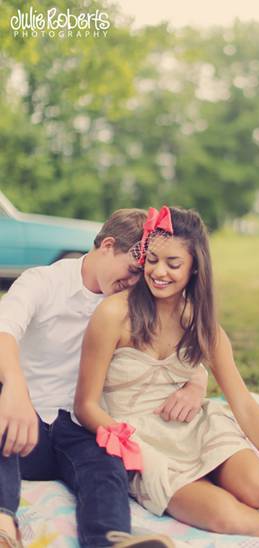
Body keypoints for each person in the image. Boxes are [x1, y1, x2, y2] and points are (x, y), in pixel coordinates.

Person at [74, 206, 259, 537]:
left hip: (196, 429)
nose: (159, 272)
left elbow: (241, 401)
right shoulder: (114, 314)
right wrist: (138, 451)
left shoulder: (201, 324)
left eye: (173, 264)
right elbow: (86, 406)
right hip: (142, 446)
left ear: (195, 268)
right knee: (231, 519)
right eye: (152, 259)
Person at [0, 208, 207, 548]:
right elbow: (5, 329)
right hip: (25, 423)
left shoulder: (134, 304)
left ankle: (110, 541)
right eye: (132, 270)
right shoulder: (43, 282)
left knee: (107, 461)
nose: (135, 282)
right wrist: (15, 388)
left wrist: (196, 382)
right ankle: (4, 527)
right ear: (108, 245)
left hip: (78, 424)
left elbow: (182, 348)